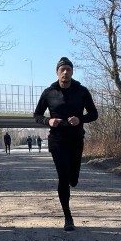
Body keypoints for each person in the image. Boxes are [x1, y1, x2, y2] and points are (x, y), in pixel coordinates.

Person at [33, 57, 99, 231]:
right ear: (57, 72)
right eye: (62, 69)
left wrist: (80, 119)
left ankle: (72, 179)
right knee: (63, 176)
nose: (65, 72)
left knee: (73, 179)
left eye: (68, 69)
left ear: (72, 72)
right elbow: (37, 115)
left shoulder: (82, 91)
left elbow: (94, 114)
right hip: (57, 140)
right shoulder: (49, 92)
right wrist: (48, 121)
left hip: (76, 139)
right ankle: (68, 217)